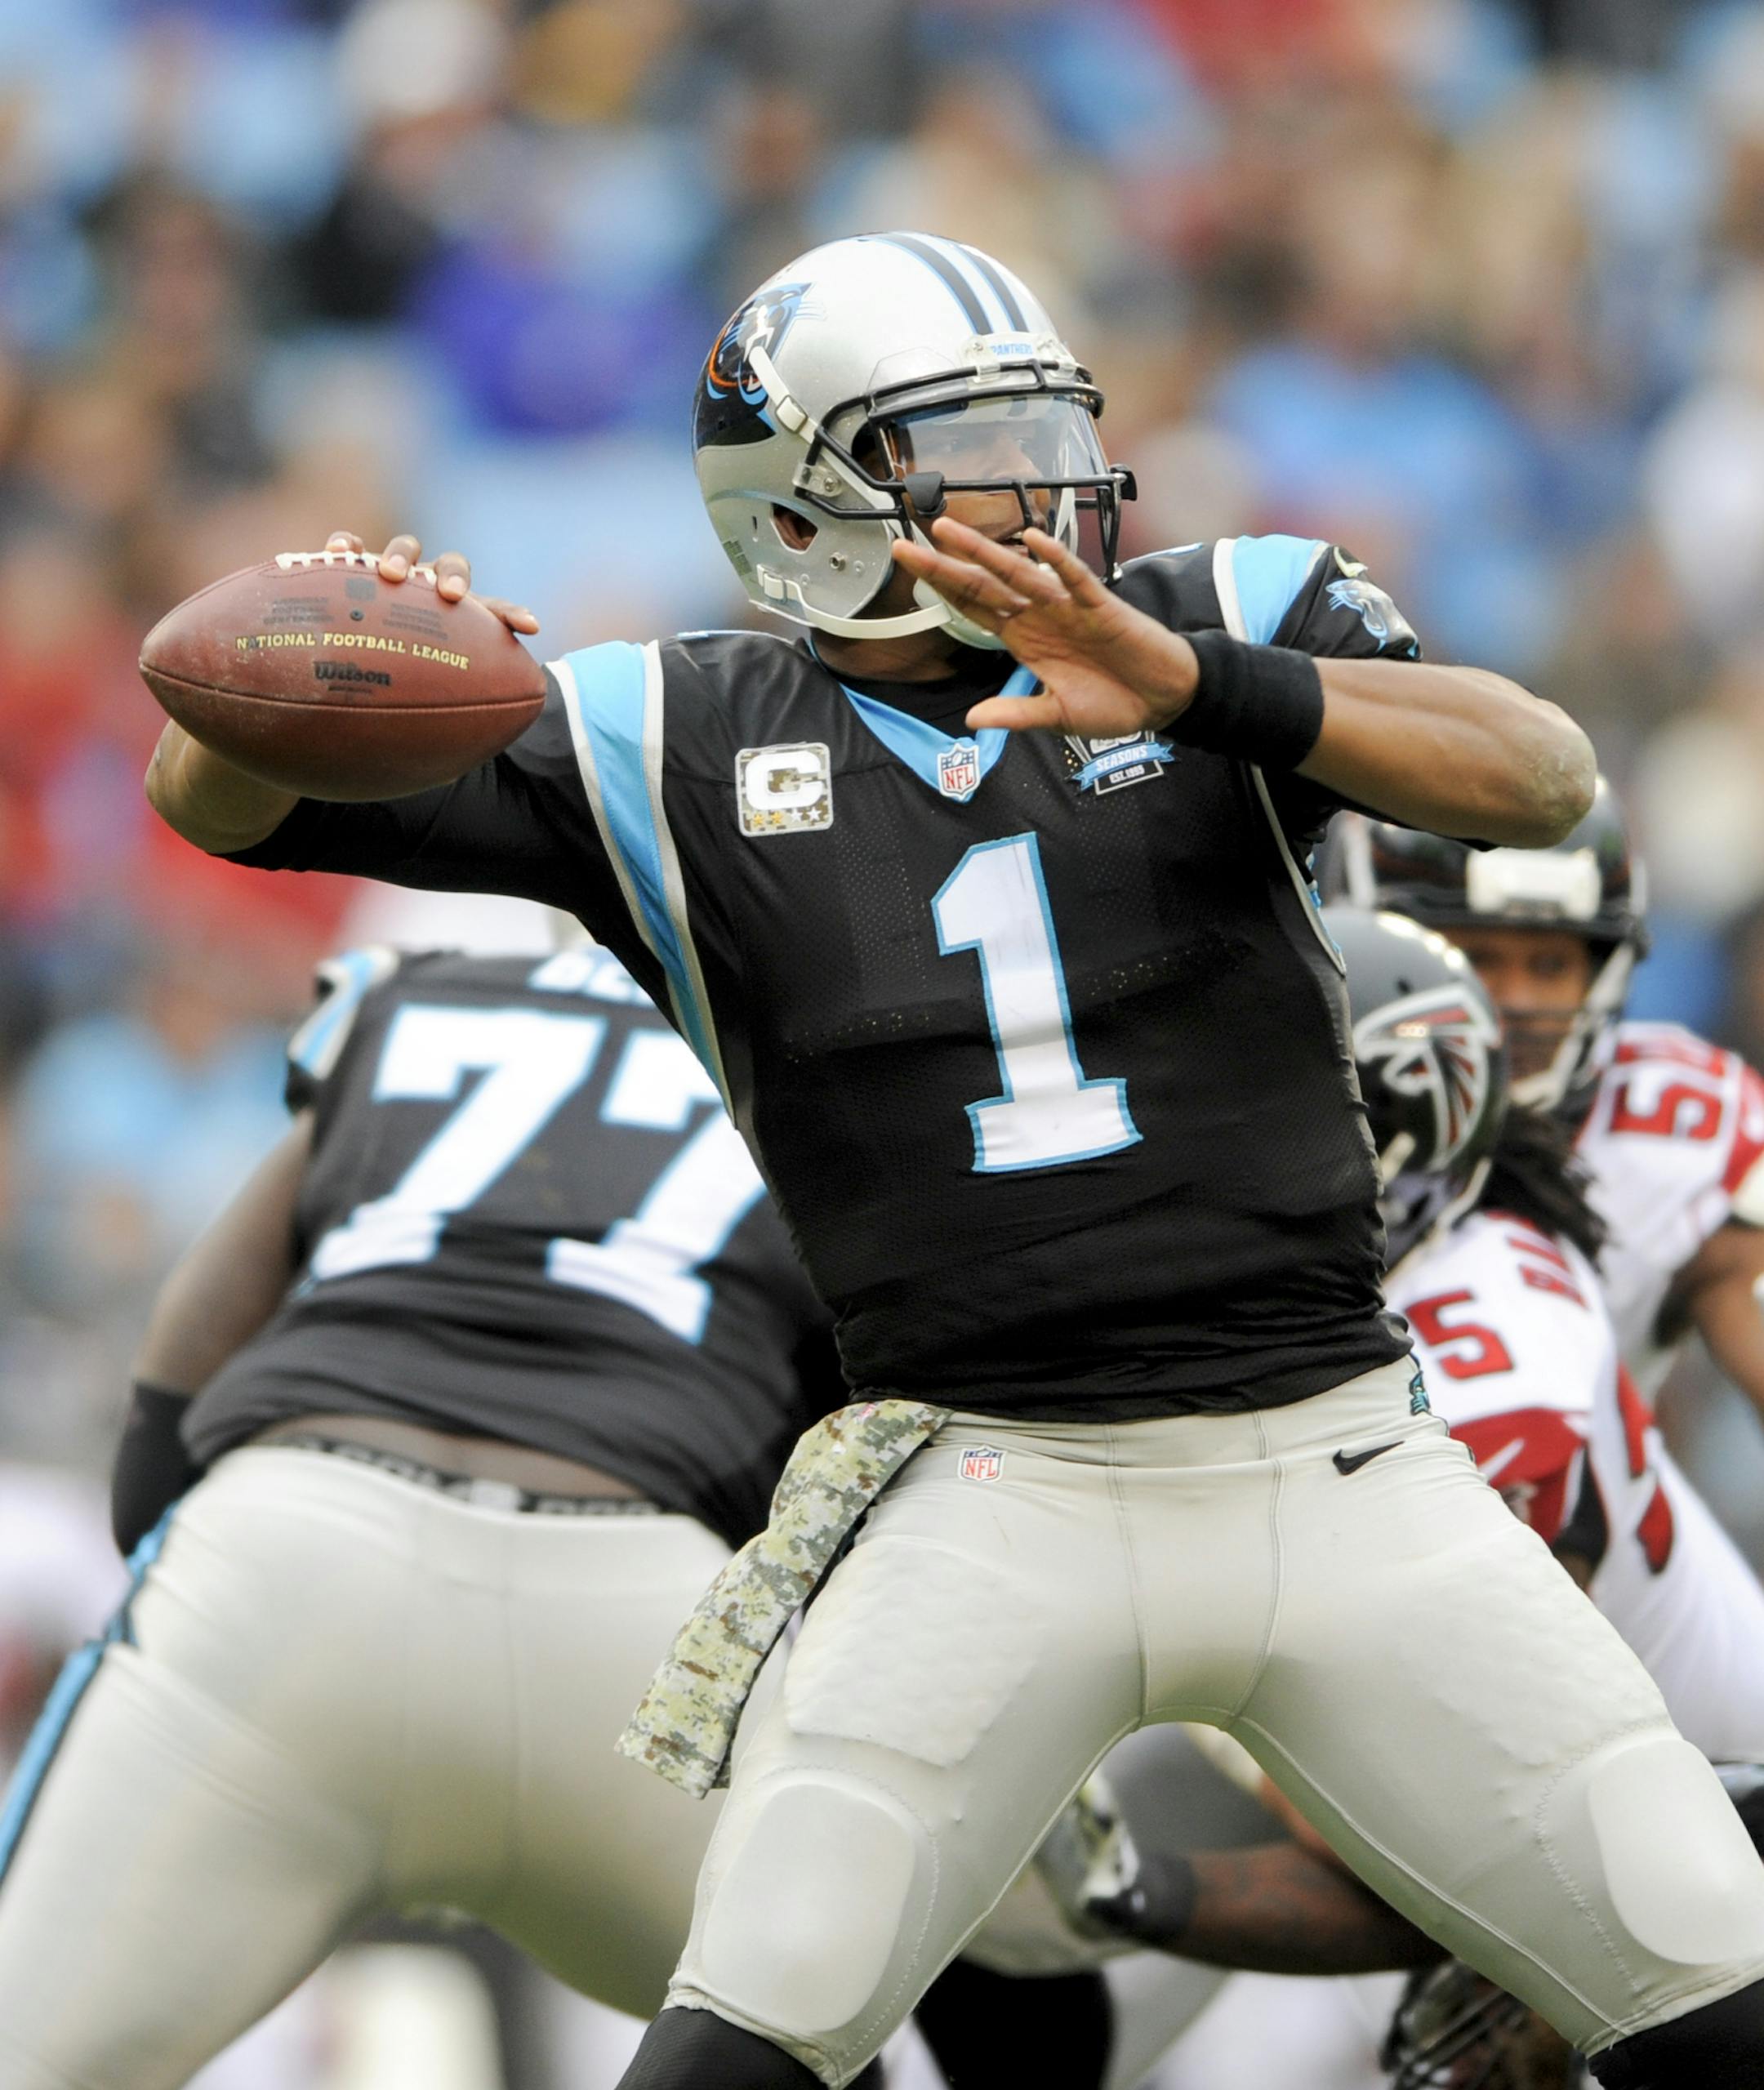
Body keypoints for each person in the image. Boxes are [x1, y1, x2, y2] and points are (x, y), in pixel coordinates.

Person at [144, 233, 1764, 2088]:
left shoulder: (1215, 608)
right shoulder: (666, 738)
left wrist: (1190, 684)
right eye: (970, 443)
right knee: (747, 2033)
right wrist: (300, 657)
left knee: (1709, 1977)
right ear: (802, 504)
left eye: (1042, 425)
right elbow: (228, 804)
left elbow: (1538, 773)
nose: (1041, 482)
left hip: (1335, 1448)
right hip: (993, 1485)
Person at [0, 940, 849, 2090]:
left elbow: (186, 1357)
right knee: (861, 2036)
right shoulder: (825, 1037)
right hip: (645, 1615)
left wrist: (177, 1575)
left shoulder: (411, 989)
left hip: (302, 1547)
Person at [1066, 911, 1764, 2088]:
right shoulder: (1352, 1292)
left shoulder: (1486, 1352)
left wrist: (1130, 1882)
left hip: (1683, 1813)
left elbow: (1464, 1801)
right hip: (1486, 1790)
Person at [1329, 782, 1764, 1413]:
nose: (1519, 1000)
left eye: (1551, 964)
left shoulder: (1682, 1125)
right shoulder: (1290, 1110)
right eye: (1477, 956)